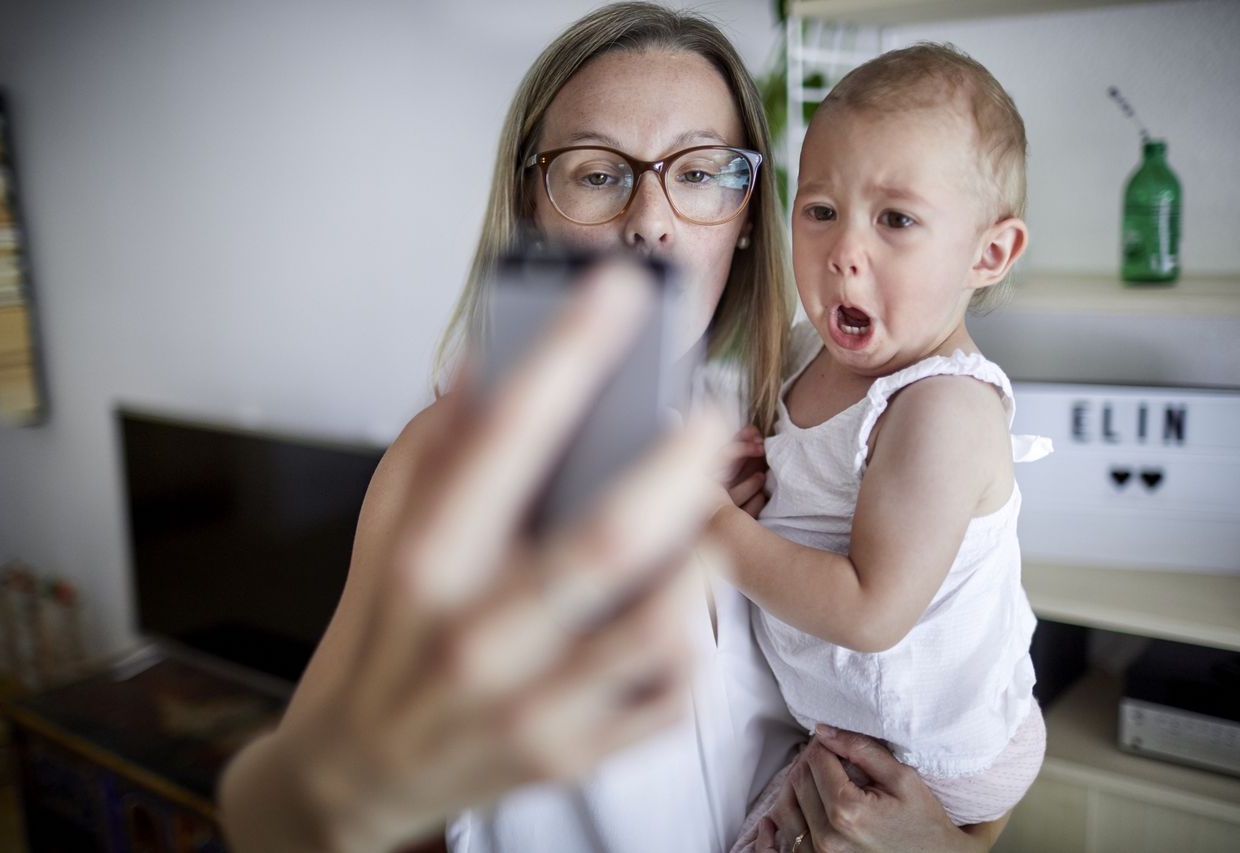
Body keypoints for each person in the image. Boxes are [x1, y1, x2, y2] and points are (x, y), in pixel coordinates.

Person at [218, 8, 1013, 852]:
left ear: (747, 215)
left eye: (701, 172)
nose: (650, 220)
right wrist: (367, 784)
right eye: (598, 174)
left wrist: (944, 845)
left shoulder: (789, 443)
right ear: (534, 205)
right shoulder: (454, 464)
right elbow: (269, 823)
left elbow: (962, 715)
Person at [710, 43, 1052, 852]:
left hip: (939, 743)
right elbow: (794, 467)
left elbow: (870, 610)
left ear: (988, 253)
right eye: (821, 210)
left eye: (895, 219)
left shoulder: (943, 407)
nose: (843, 251)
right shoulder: (804, 352)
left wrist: (710, 529)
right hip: (861, 719)